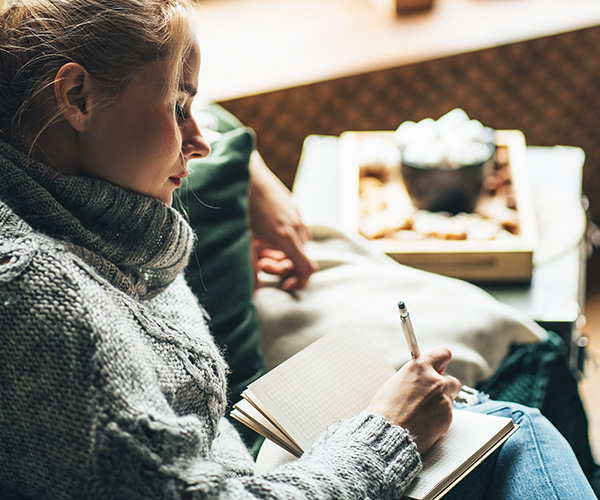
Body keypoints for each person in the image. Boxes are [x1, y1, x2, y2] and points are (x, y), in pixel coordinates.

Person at [0, 1, 596, 499]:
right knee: (522, 429)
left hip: (263, 463)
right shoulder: (45, 305)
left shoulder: (101, 214)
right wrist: (386, 433)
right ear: (76, 96)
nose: (201, 141)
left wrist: (253, 177)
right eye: (179, 107)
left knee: (515, 418)